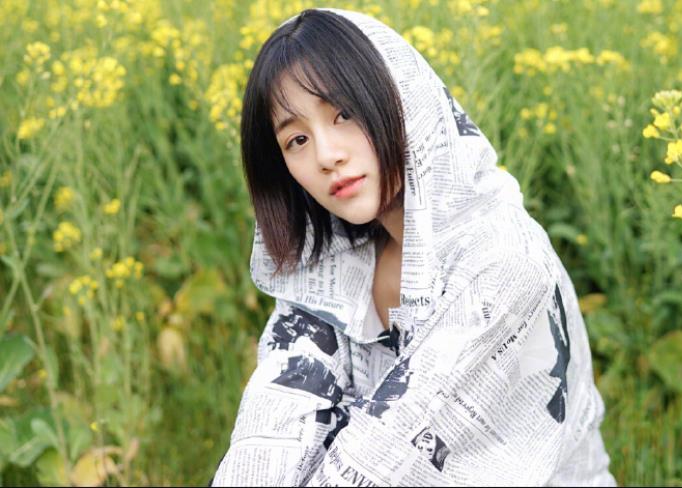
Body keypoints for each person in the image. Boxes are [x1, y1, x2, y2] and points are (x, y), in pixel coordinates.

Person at [211, 8, 616, 487]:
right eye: (297, 139)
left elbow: (384, 465)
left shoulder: (503, 262)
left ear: (402, 97)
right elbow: (274, 416)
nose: (326, 155)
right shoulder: (340, 261)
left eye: (344, 113)